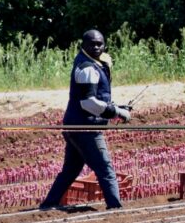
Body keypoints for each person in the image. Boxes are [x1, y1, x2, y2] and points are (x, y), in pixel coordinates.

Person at [39, 30, 130, 210]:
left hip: (75, 126)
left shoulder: (91, 64)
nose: (96, 47)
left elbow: (95, 100)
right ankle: (116, 208)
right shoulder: (88, 68)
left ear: (105, 45)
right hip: (86, 128)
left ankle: (48, 204)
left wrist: (116, 106)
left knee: (71, 170)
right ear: (83, 45)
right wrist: (117, 112)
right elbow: (88, 103)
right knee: (105, 168)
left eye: (99, 44)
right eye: (92, 44)